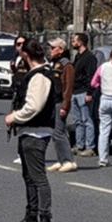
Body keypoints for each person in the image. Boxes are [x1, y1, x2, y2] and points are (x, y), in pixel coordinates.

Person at [4, 38, 59, 222]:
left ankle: (45, 218)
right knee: (28, 177)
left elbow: (34, 106)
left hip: (37, 132)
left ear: (26, 54)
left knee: (38, 178)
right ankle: (31, 216)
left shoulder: (40, 76)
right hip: (29, 131)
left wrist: (14, 117)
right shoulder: (37, 73)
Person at [45, 38, 77, 173]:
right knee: (55, 132)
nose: (51, 50)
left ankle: (68, 160)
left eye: (53, 48)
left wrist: (65, 105)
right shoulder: (54, 64)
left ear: (61, 49)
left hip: (60, 101)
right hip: (54, 101)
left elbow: (68, 87)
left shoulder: (66, 65)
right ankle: (61, 159)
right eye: (50, 48)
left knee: (59, 132)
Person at [69, 32, 98, 156]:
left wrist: (89, 93)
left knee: (87, 120)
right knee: (77, 121)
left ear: (81, 42)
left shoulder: (89, 57)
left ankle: (90, 147)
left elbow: (91, 77)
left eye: (74, 40)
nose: (72, 42)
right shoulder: (78, 57)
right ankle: (79, 145)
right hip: (75, 92)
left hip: (84, 92)